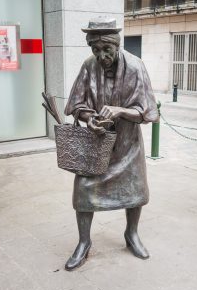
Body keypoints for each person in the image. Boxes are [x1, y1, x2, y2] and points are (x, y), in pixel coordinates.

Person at [64, 17, 158, 270]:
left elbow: (147, 113)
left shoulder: (136, 67)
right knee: (83, 189)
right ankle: (84, 242)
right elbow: (75, 105)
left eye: (107, 50)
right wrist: (89, 118)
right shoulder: (88, 66)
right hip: (97, 145)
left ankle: (132, 234)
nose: (102, 55)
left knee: (135, 191)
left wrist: (119, 111)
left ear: (117, 46)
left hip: (128, 145)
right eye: (96, 50)